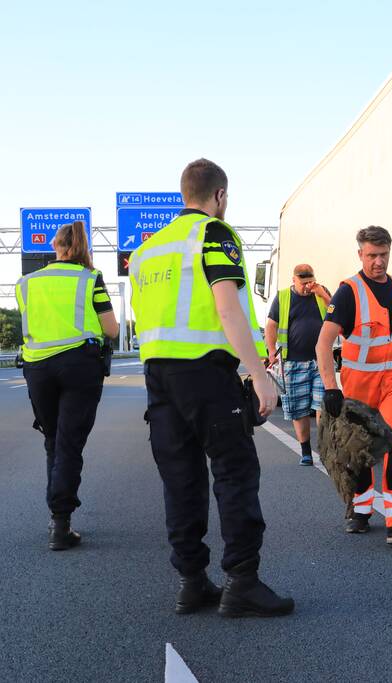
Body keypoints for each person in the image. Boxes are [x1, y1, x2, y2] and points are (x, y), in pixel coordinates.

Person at [129, 158, 293, 617]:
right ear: (219, 195)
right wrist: (259, 374)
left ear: (184, 193)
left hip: (158, 378)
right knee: (235, 472)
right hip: (206, 373)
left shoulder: (146, 251)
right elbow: (228, 309)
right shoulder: (214, 234)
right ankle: (242, 581)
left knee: (180, 480)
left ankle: (192, 582)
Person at [15, 220, 119, 551]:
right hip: (79, 366)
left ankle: (58, 519)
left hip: (37, 367)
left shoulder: (26, 283)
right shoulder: (91, 278)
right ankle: (60, 523)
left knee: (53, 438)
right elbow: (112, 329)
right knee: (69, 443)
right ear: (82, 248)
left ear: (55, 246)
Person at [315, 225, 392, 546]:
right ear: (360, 254)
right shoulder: (349, 292)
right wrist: (331, 388)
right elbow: (324, 343)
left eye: (384, 255)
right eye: (372, 255)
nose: (379, 261)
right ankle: (359, 510)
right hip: (359, 384)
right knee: (359, 449)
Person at [264, 264, 331, 465]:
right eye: (303, 283)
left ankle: (325, 450)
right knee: (298, 409)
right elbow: (271, 325)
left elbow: (337, 313)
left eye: (310, 282)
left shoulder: (320, 292)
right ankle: (306, 452)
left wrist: (322, 294)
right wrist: (271, 350)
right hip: (292, 362)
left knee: (323, 406)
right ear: (293, 279)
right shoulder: (283, 297)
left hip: (320, 361)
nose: (307, 287)